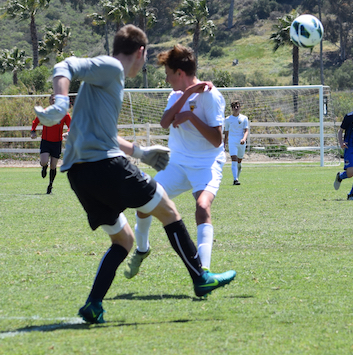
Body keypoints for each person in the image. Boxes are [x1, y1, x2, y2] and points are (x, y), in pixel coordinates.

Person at [33, 25, 236, 324]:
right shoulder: (112, 67)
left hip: (78, 175)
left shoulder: (104, 84)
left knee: (122, 242)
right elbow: (64, 65)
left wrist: (141, 152)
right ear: (140, 52)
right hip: (106, 167)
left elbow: (104, 135)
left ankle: (93, 305)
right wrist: (61, 101)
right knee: (169, 211)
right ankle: (200, 276)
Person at [124, 44, 226, 279]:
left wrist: (190, 115)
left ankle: (204, 271)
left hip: (205, 165)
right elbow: (165, 122)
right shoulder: (176, 95)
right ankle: (142, 249)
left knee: (202, 207)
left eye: (169, 73)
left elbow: (216, 140)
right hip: (177, 164)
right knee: (143, 201)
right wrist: (187, 95)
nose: (167, 78)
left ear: (179, 73)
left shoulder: (211, 96)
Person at [31, 94, 72, 194]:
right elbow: (35, 122)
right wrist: (33, 131)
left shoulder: (64, 114)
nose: (54, 101)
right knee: (44, 161)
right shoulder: (45, 112)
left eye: (56, 100)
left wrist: (68, 132)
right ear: (49, 102)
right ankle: (44, 167)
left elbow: (71, 125)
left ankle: (50, 185)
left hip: (57, 143)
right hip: (46, 141)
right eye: (52, 100)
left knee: (53, 166)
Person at [224, 100, 249, 185]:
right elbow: (226, 133)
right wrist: (224, 144)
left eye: (237, 106)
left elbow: (246, 130)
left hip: (241, 142)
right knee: (234, 159)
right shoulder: (227, 119)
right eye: (234, 107)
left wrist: (244, 139)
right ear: (231, 108)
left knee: (239, 161)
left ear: (240, 107)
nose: (236, 108)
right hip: (232, 141)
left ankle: (237, 177)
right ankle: (235, 179)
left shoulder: (244, 118)